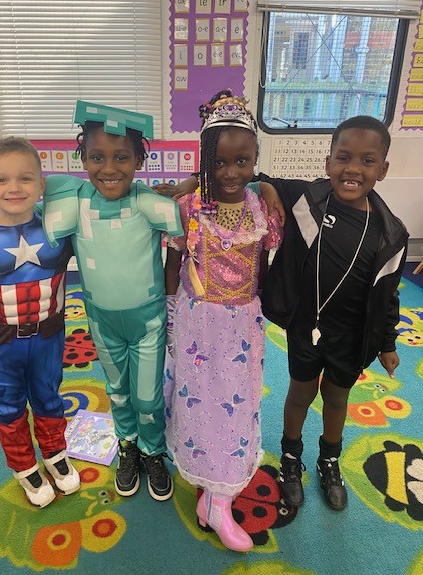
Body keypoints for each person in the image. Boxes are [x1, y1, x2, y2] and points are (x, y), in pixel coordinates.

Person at [0, 101, 183, 503]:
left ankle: (153, 450)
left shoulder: (149, 202)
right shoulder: (72, 199)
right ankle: (128, 444)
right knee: (118, 390)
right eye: (96, 157)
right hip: (102, 321)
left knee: (147, 395)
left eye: (121, 157)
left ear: (139, 160)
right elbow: (19, 204)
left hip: (148, 321)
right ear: (83, 159)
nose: (108, 168)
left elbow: (200, 209)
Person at [175, 115, 409, 512]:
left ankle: (329, 461)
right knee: (300, 392)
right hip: (307, 325)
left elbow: (389, 294)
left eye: (367, 161)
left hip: (352, 334)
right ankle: (290, 457)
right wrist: (195, 181)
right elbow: (249, 173)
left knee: (337, 397)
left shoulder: (392, 234)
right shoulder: (306, 200)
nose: (353, 169)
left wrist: (387, 342)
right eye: (343, 158)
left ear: (382, 170)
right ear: (328, 162)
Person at [164, 90, 282, 552]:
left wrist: (268, 186)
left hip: (242, 326)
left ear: (255, 160)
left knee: (236, 404)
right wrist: (171, 313)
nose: (231, 173)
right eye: (220, 163)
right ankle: (211, 495)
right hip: (197, 322)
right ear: (204, 162)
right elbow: (174, 262)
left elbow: (264, 266)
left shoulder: (261, 207)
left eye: (242, 162)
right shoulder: (189, 207)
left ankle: (218, 497)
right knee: (200, 402)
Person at [0, 137, 80, 508]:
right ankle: (24, 466)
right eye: (2, 180)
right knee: (7, 406)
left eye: (25, 178)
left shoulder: (59, 230)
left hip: (48, 337)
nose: (14, 188)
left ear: (41, 184)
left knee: (49, 396)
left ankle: (54, 453)